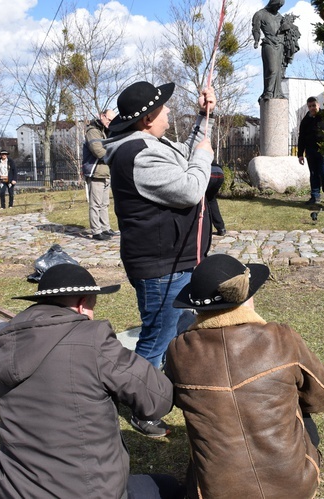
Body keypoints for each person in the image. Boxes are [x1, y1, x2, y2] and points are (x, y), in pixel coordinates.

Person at [0, 263, 181, 498]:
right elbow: (157, 399)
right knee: (170, 488)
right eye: (93, 306)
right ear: (82, 305)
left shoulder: (10, 338)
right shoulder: (92, 340)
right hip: (86, 492)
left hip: (15, 490)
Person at [166, 253, 324, 499]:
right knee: (302, 407)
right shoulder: (282, 337)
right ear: (247, 295)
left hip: (214, 493)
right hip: (295, 488)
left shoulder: (177, 351)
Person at [104, 80, 216, 437]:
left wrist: (204, 116)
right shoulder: (138, 153)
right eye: (164, 108)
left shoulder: (148, 144)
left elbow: (183, 153)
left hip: (173, 260)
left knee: (176, 329)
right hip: (160, 266)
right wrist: (205, 156)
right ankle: (143, 408)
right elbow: (188, 189)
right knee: (156, 337)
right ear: (147, 119)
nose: (169, 111)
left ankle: (166, 388)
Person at [85, 109, 119, 241]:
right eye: (109, 120)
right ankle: (96, 230)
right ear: (102, 116)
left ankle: (105, 228)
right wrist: (115, 155)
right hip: (96, 172)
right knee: (95, 204)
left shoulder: (105, 132)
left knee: (105, 204)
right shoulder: (92, 131)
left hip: (105, 172)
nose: (110, 123)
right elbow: (98, 151)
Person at [298, 96, 324, 205]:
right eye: (310, 106)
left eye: (314, 105)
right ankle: (315, 197)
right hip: (311, 152)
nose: (312, 108)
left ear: (318, 105)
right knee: (313, 174)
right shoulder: (305, 120)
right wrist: (300, 154)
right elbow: (301, 138)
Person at [252, 0, 287, 102]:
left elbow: (285, 32)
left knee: (279, 71)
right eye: (277, 6)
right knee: (271, 69)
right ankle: (268, 91)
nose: (278, 8)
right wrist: (256, 40)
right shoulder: (260, 14)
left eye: (280, 7)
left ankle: (277, 92)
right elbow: (256, 29)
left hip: (280, 45)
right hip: (268, 43)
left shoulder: (280, 17)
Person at [208, 162, 227, 236]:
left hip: (209, 173)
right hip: (219, 172)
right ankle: (221, 228)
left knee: (200, 202)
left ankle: (203, 230)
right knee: (211, 199)